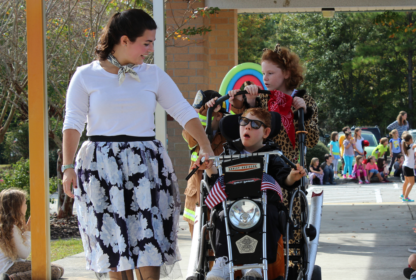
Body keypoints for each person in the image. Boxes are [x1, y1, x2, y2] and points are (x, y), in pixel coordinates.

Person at [62, 9, 215, 280]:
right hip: (101, 167)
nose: (150, 49)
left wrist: (205, 146)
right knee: (114, 245)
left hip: (146, 166)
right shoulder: (85, 76)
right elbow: (73, 122)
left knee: (149, 240)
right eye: (146, 43)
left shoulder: (153, 75)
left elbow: (183, 111)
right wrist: (67, 166)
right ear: (124, 40)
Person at [207, 43, 319, 274]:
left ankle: (279, 263)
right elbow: (243, 125)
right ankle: (233, 260)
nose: (265, 78)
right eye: (263, 73)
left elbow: (312, 139)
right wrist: (246, 102)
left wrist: (303, 112)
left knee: (281, 211)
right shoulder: (261, 98)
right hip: (254, 163)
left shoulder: (305, 99)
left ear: (286, 73)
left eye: (270, 73)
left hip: (284, 165)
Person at [203, 108, 306, 280]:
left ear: (266, 132)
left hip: (263, 205)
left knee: (270, 214)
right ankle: (223, 262)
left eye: (255, 124)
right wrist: (208, 167)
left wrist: (292, 176)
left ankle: (255, 268)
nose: (247, 127)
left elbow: (284, 180)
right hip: (233, 206)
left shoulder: (273, 154)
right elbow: (216, 181)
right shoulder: (229, 153)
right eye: (244, 122)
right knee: (219, 215)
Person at [182, 90, 228, 237]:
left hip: (217, 196)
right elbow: (195, 133)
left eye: (200, 114)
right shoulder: (191, 136)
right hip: (196, 200)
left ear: (219, 115)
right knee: (199, 251)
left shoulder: (227, 138)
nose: (195, 119)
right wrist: (203, 115)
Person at [0, 189, 64, 280]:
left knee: (58, 268)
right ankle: (11, 278)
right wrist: (29, 231)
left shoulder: (6, 225)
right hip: (8, 267)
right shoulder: (11, 228)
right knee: (54, 271)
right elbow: (24, 254)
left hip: (10, 265)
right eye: (25, 203)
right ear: (17, 207)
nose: (26, 206)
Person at [401, 133, 416, 203]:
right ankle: (405, 197)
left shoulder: (405, 146)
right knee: (412, 183)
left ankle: (403, 194)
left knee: (406, 182)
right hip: (408, 167)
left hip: (405, 166)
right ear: (410, 140)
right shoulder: (411, 146)